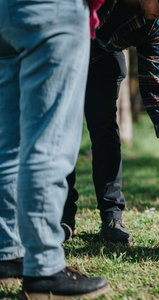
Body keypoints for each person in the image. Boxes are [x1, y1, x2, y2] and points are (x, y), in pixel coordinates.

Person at [0, 0, 110, 298]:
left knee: (9, 144)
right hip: (52, 11)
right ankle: (44, 269)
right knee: (49, 143)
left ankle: (8, 256)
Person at [60, 0, 159, 245]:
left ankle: (112, 218)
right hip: (66, 51)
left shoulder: (156, 26)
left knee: (105, 133)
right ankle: (63, 217)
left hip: (103, 61)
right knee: (63, 132)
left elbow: (153, 76)